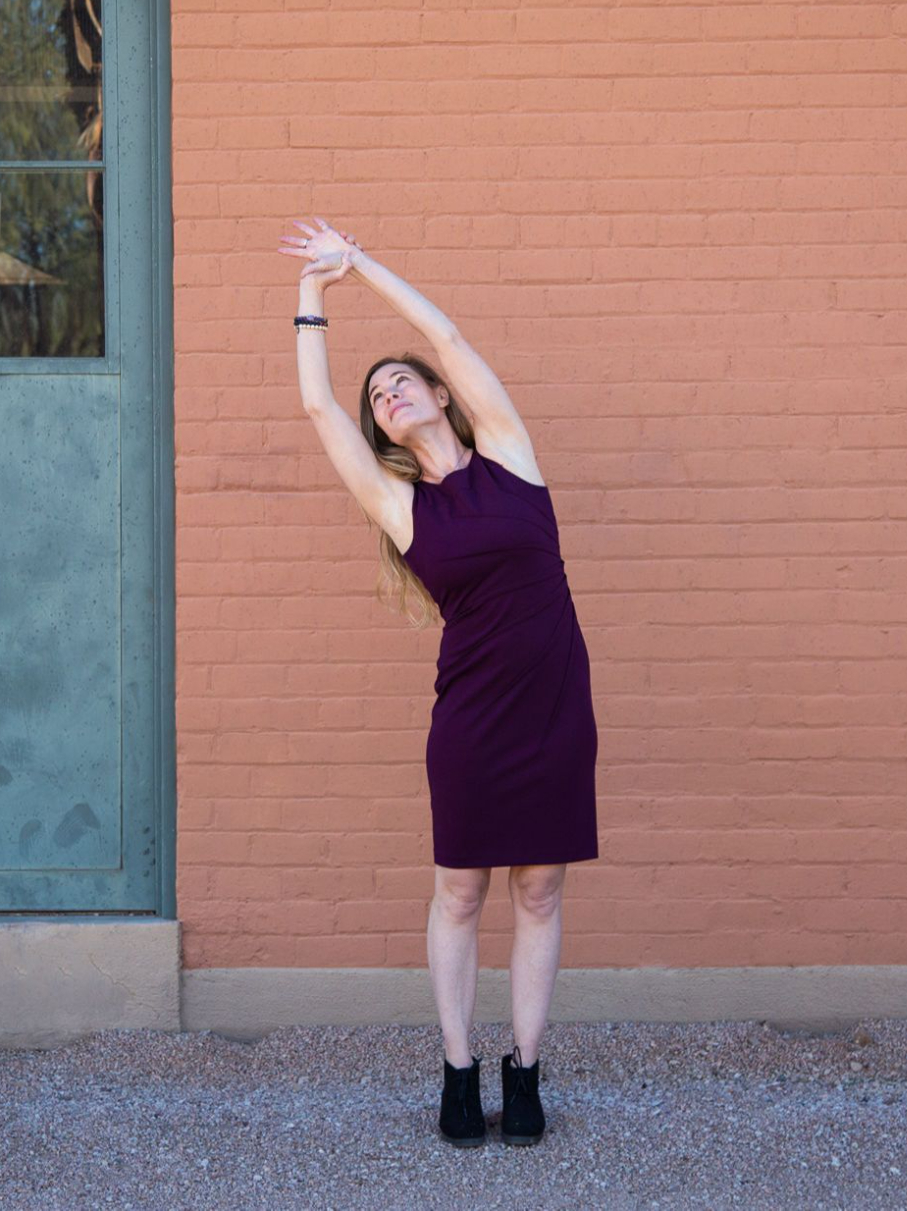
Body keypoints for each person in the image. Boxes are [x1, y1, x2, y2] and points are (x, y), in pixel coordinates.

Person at [278, 217, 601, 1149]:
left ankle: (524, 1071)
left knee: (540, 891)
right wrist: (312, 294)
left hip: (554, 711)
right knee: (459, 893)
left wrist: (360, 265)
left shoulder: (509, 457)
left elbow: (448, 337)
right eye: (378, 396)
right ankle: (459, 1070)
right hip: (471, 721)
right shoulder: (401, 505)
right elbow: (317, 409)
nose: (388, 396)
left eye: (401, 382)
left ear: (441, 398)